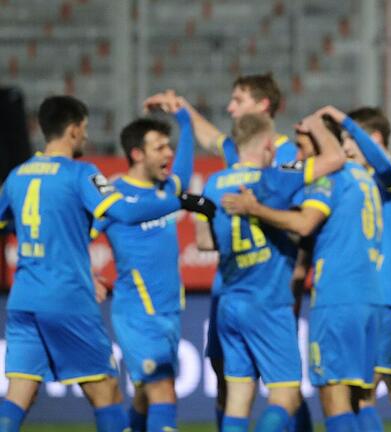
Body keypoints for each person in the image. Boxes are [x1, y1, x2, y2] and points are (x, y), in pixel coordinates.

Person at [0, 96, 214, 432]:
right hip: (69, 299)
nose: (86, 138)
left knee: (18, 397)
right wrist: (184, 202)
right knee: (109, 393)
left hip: (24, 299)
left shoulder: (16, 177)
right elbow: (124, 213)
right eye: (84, 129)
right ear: (73, 130)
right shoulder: (82, 173)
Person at [145, 74, 312, 431]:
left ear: (262, 105)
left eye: (238, 100)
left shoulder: (284, 153)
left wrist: (299, 274)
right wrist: (183, 109)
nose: (229, 107)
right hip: (246, 288)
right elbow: (211, 137)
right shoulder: (245, 149)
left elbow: (304, 224)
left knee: (262, 390)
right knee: (242, 382)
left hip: (263, 286)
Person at [220, 115, 383, 432]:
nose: (296, 155)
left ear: (322, 141)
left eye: (301, 145)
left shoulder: (329, 178)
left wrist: (255, 209)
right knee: (361, 398)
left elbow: (306, 223)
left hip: (336, 297)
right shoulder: (363, 176)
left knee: (334, 398)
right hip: (369, 298)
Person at [197, 111, 345, 432]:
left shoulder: (212, 183)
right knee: (286, 396)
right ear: (267, 144)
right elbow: (334, 158)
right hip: (267, 302)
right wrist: (317, 121)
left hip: (229, 303)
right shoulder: (273, 178)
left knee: (237, 397)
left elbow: (203, 240)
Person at [319, 105, 391, 432]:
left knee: (360, 395)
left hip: (380, 299)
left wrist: (343, 122)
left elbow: (383, 165)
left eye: (350, 138)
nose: (345, 146)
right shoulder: (360, 181)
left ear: (372, 138)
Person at [92, 96, 194, 432]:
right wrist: (87, 275)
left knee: (145, 396)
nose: (169, 154)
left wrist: (184, 118)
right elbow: (75, 238)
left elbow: (185, 170)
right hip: (137, 313)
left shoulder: (166, 189)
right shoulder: (114, 197)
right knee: (163, 392)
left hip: (170, 312)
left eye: (169, 146)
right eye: (159, 148)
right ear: (137, 154)